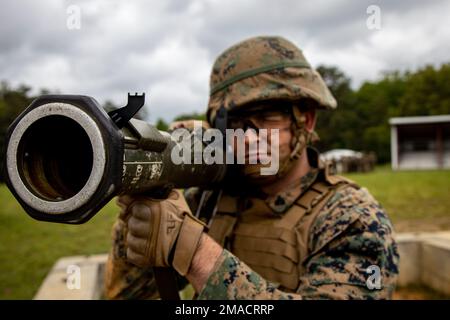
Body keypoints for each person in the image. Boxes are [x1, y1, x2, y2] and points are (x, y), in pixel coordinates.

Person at [104, 36, 399, 300]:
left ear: (306, 120)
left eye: (267, 116)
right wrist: (150, 186)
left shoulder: (352, 217)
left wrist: (192, 250)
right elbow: (128, 293)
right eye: (234, 122)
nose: (248, 138)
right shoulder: (209, 198)